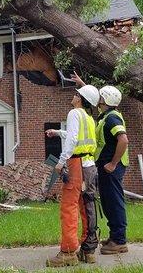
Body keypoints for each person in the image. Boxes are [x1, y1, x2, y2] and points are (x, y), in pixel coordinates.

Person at [71, 73, 130, 255]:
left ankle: (119, 241)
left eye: (101, 96)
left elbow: (123, 140)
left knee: (114, 202)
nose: (99, 98)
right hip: (105, 167)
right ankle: (114, 237)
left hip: (112, 167)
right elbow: (93, 98)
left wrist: (113, 163)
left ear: (106, 100)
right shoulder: (107, 114)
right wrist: (83, 85)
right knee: (107, 201)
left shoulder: (112, 118)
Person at [45, 84, 100, 267]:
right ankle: (88, 250)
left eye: (77, 94)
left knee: (69, 206)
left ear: (81, 99)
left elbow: (73, 139)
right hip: (90, 166)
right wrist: (58, 132)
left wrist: (61, 162)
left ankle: (68, 252)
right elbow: (74, 135)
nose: (74, 95)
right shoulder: (89, 118)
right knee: (87, 205)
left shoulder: (74, 113)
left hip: (76, 165)